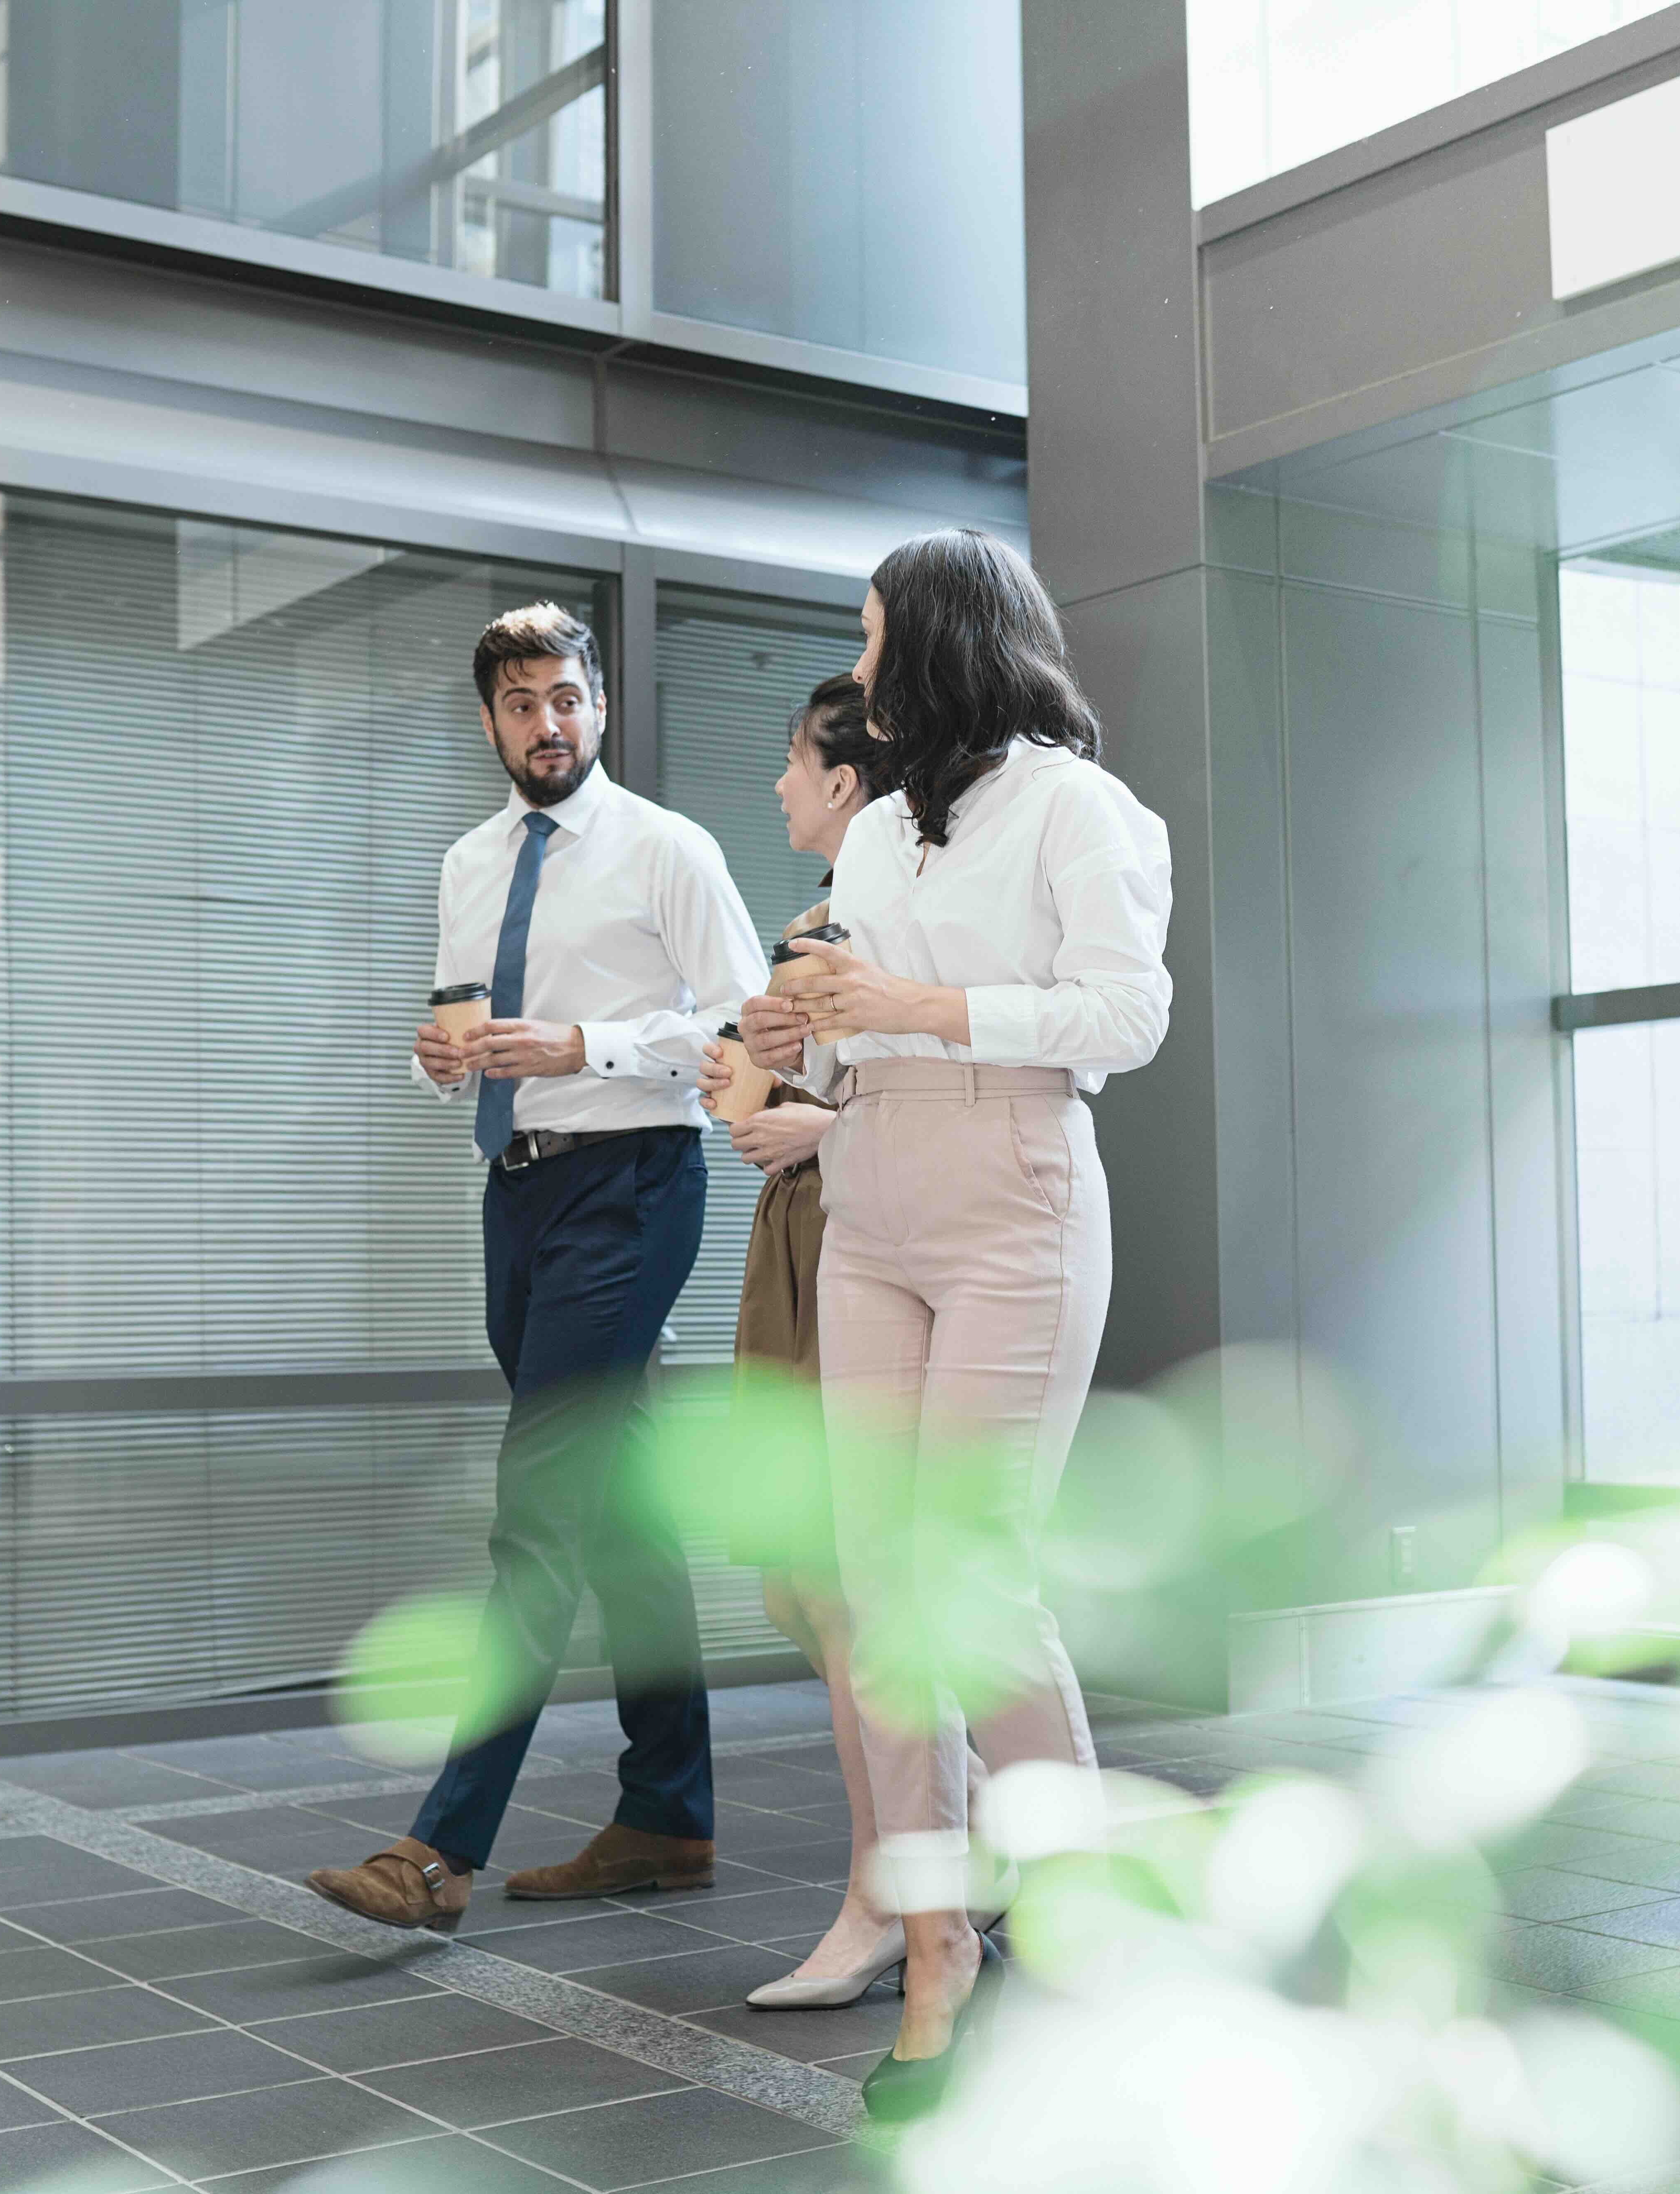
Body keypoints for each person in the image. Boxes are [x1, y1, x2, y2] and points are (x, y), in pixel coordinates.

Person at [737, 530, 1174, 2115]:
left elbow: (1129, 1016)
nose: (857, 674)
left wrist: (914, 1011)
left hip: (1014, 1191)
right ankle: (937, 1945)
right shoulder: (876, 840)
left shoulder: (1080, 807)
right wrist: (801, 1040)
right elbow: (849, 1040)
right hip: (874, 1195)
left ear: (936, 643)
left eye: (870, 641)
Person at [309, 603, 767, 1933]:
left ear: (601, 706)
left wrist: (585, 1047)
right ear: (492, 719)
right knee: (620, 1508)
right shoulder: (469, 861)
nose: (547, 724)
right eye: (521, 704)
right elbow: (458, 1022)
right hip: (515, 1192)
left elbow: (745, 1027)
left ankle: (439, 1847)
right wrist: (436, 1058)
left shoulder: (667, 849)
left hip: (633, 1187)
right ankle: (668, 1813)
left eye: (566, 698)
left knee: (539, 1503)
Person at [695, 673, 991, 2013]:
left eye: (791, 764)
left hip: (870, 1230)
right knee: (813, 1583)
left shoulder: (909, 924)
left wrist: (810, 1119)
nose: (775, 785)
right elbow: (766, 1094)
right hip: (800, 1244)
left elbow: (922, 1088)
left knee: (861, 1580)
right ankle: (931, 1867)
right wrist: (751, 1082)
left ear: (846, 784)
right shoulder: (812, 927)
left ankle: (904, 1884)